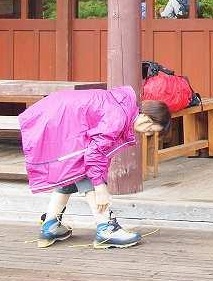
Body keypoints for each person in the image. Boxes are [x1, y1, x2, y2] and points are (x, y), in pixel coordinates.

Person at [18, 87, 171, 249]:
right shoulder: (117, 117)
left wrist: (100, 180)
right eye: (150, 129)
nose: (147, 133)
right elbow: (94, 155)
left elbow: (100, 154)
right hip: (56, 121)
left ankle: (50, 225)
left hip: (55, 116)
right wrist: (100, 187)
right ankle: (106, 228)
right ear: (147, 118)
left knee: (72, 168)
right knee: (84, 167)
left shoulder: (123, 109)